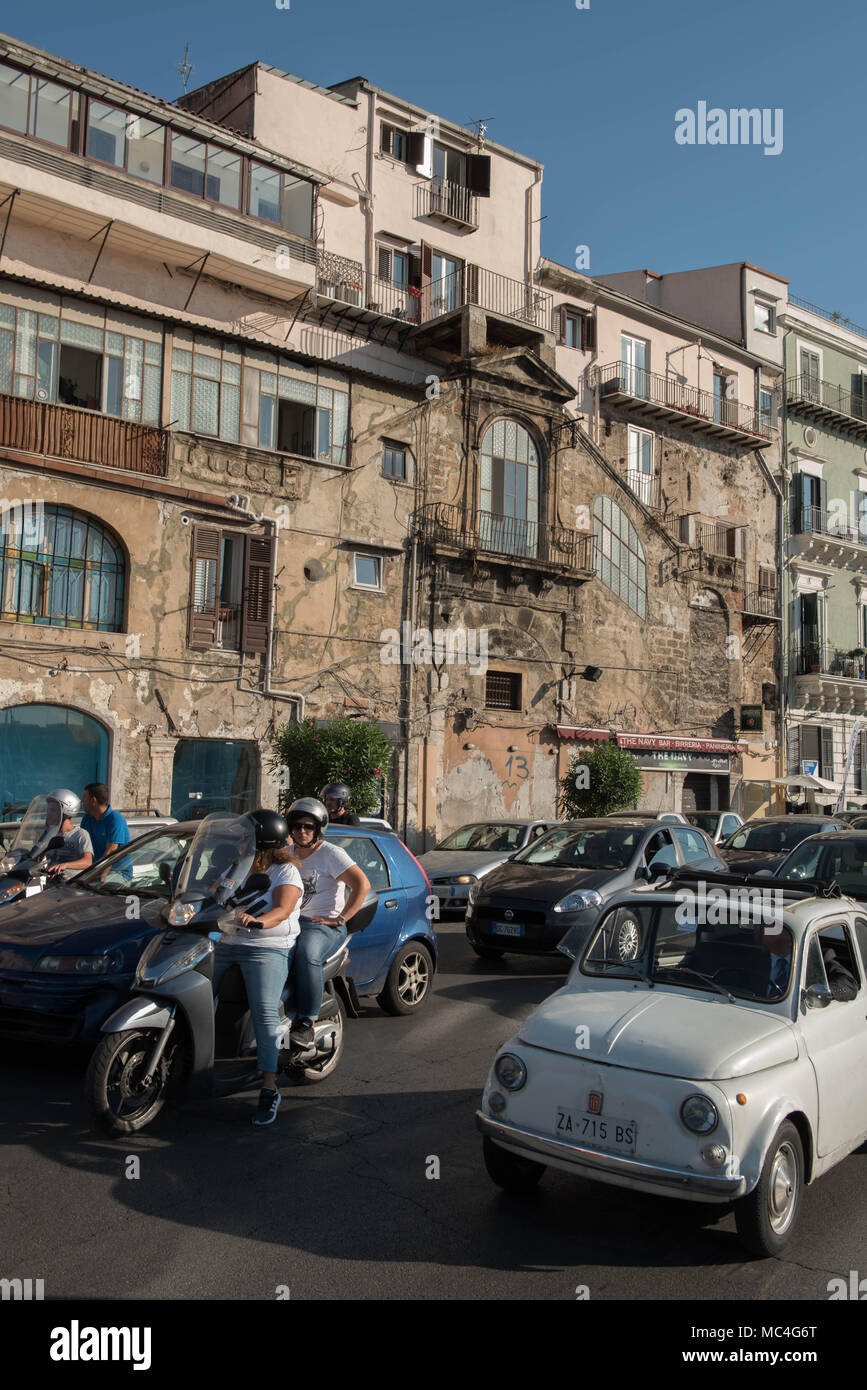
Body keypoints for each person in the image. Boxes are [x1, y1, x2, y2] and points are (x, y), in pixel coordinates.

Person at [211, 810, 302, 1126]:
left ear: (262, 840)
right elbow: (216, 896)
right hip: (228, 942)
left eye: (246, 836)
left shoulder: (285, 872)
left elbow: (283, 908)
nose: (240, 841)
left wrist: (260, 921)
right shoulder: (238, 865)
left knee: (264, 1012)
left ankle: (269, 1087)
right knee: (195, 993)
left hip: (266, 947)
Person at [285, 797, 370, 1046]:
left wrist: (341, 918)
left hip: (321, 925)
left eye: (308, 826)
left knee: (307, 953)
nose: (302, 831)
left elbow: (362, 885)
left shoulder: (330, 854)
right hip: (292, 922)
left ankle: (306, 1022)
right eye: (297, 825)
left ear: (318, 829)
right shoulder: (286, 854)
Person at [42, 789, 94, 879]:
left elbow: (87, 861)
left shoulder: (80, 834)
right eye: (48, 809)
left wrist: (65, 865)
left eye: (52, 810)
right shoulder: (48, 834)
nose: (48, 813)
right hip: (49, 883)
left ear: (65, 812)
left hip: (70, 885)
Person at [80, 783, 131, 861]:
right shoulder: (87, 819)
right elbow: (81, 848)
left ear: (93, 800)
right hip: (93, 871)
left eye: (84, 798)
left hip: (116, 871)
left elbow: (110, 854)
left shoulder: (115, 819)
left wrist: (101, 873)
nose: (82, 801)